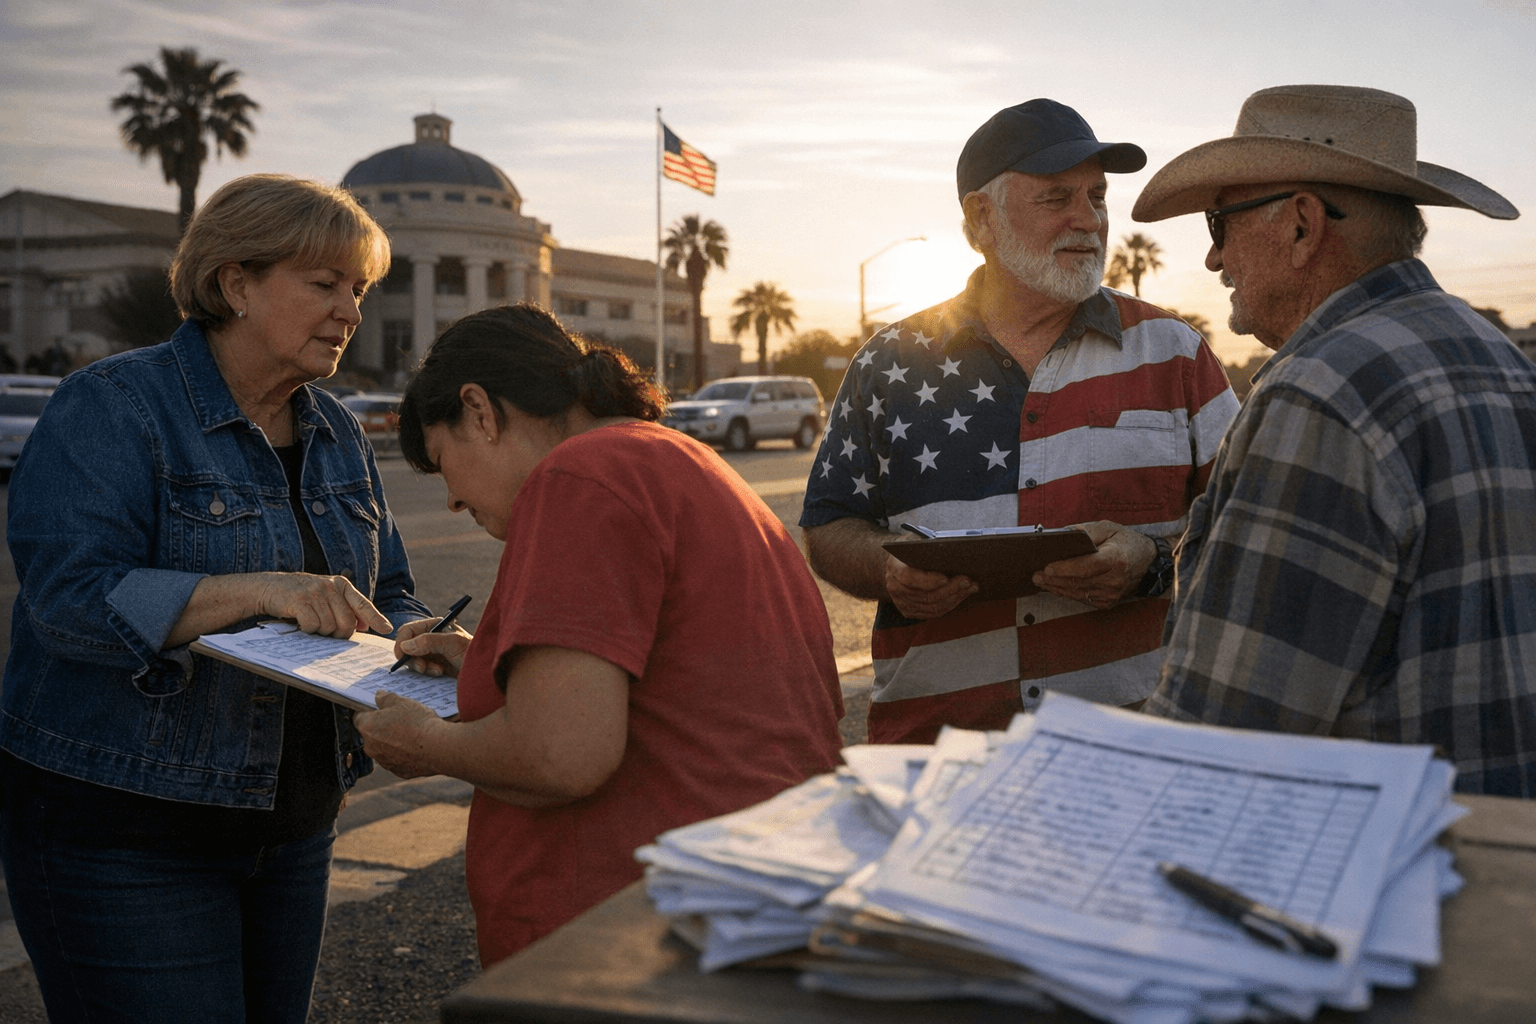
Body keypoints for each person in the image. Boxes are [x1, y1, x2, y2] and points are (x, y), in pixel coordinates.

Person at [0, 173, 430, 1022]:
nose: (350, 309)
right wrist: (253, 591)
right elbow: (68, 601)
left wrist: (422, 640)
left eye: (359, 288)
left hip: (296, 826)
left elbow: (389, 587)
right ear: (235, 282)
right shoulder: (115, 405)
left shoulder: (336, 429)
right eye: (324, 284)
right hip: (125, 832)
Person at [353, 303, 844, 965]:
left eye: (444, 463)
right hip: (734, 901)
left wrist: (427, 742)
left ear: (479, 411)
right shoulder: (677, 461)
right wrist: (486, 663)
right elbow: (677, 683)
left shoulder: (578, 477)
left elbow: (563, 753)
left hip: (624, 934)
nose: (452, 501)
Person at [1132, 85, 1535, 797]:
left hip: (1369, 883)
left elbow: (1222, 737)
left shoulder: (1319, 393)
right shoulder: (1503, 360)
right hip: (1498, 876)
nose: (1213, 259)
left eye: (1219, 224)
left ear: (1301, 224)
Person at [800, 99, 1238, 743]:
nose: (1088, 221)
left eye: (1097, 197)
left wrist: (1147, 559)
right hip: (933, 753)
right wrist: (890, 571)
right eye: (1057, 198)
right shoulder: (888, 363)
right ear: (982, 218)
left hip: (1128, 749)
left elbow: (1241, 530)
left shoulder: (1174, 352)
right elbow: (830, 525)